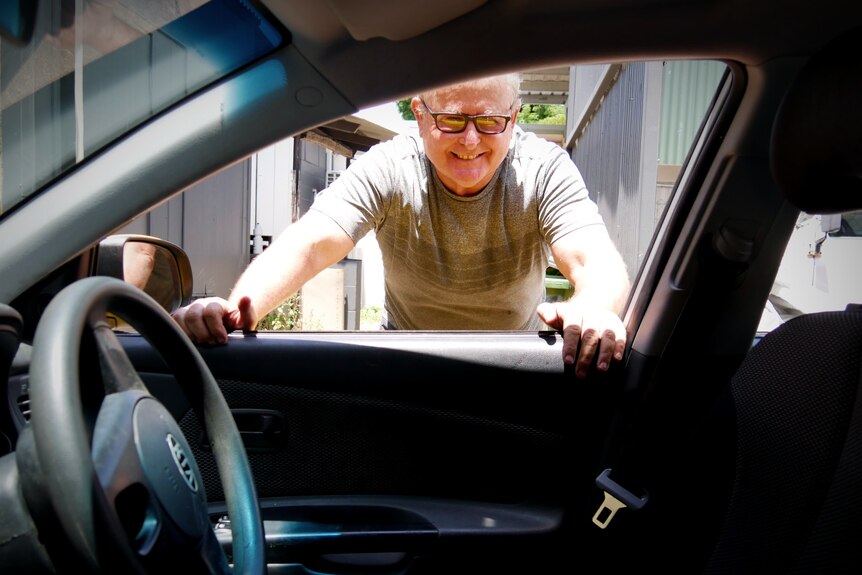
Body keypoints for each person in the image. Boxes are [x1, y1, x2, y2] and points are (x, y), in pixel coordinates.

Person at [172, 72, 631, 378]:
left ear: (513, 117)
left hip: (514, 361)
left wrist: (594, 307)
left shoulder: (543, 168)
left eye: (490, 121)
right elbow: (312, 243)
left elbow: (593, 259)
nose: (471, 140)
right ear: (419, 113)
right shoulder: (391, 165)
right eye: (452, 119)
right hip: (411, 361)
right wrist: (235, 311)